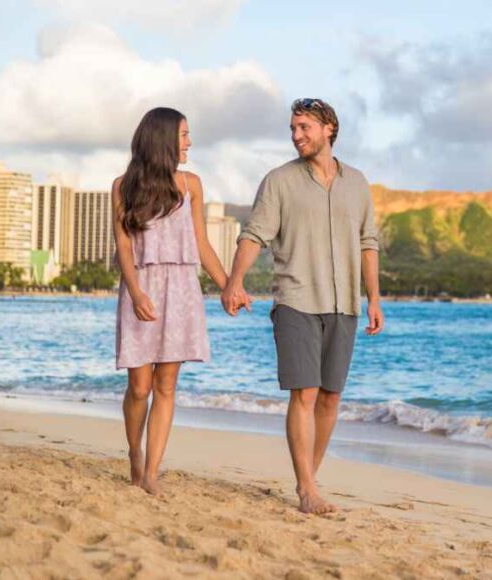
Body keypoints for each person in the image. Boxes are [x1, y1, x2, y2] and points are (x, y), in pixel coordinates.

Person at [221, 98, 383, 514]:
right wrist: (234, 281)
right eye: (293, 128)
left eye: (304, 127)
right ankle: (307, 490)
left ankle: (307, 478)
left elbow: (368, 244)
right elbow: (254, 235)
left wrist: (374, 300)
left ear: (329, 128)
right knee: (305, 393)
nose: (296, 135)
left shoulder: (358, 182)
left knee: (330, 397)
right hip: (296, 299)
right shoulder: (278, 181)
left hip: (344, 302)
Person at [113, 107, 229, 495]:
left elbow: (201, 244)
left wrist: (229, 285)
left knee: (166, 385)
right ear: (163, 139)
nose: (189, 142)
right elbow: (124, 249)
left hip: (181, 289)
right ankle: (134, 451)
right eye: (183, 135)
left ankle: (151, 472)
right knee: (140, 387)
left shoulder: (192, 184)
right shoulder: (122, 186)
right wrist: (135, 291)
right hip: (141, 286)